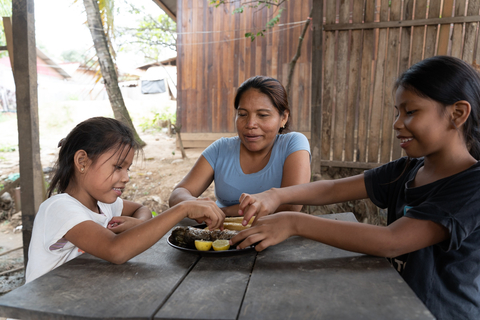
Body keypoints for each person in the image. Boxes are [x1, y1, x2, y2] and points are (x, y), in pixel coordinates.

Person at [230, 56, 480, 320]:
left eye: (410, 112)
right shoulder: (407, 169)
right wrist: (275, 194)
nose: (397, 123)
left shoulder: (472, 185)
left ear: (458, 114)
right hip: (399, 305)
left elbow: (391, 242)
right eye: (397, 112)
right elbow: (332, 189)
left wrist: (294, 222)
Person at [26, 117, 224, 283]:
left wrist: (139, 223)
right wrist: (182, 209)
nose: (126, 177)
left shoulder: (104, 205)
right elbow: (115, 250)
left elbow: (141, 209)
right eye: (118, 167)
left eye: (127, 169)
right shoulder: (59, 207)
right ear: (82, 162)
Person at [169, 76, 311, 222]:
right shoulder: (221, 149)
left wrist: (222, 212)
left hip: (274, 237)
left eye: (262, 115)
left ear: (284, 118)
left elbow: (291, 205)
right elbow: (178, 194)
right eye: (242, 114)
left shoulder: (293, 144)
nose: (250, 124)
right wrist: (192, 205)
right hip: (221, 238)